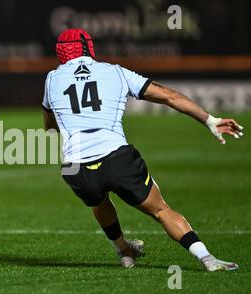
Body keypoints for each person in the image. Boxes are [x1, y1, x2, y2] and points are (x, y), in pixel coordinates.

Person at [42, 28, 244, 271]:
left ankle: (123, 250)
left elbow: (50, 127)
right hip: (117, 157)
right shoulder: (114, 72)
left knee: (98, 200)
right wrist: (209, 120)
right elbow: (169, 96)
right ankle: (207, 258)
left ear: (61, 52)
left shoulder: (52, 79)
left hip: (77, 166)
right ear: (89, 47)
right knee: (160, 210)